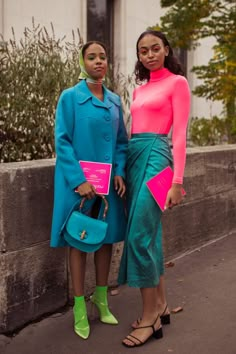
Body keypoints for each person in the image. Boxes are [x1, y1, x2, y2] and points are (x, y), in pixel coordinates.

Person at [118, 30, 191, 348]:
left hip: (160, 160)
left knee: (138, 236)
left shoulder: (178, 83)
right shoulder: (138, 91)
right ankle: (160, 306)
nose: (148, 54)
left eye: (154, 48)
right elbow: (133, 133)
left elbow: (180, 134)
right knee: (150, 235)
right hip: (136, 159)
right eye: (143, 50)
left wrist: (177, 181)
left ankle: (148, 317)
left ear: (166, 50)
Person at [50, 41, 128, 340]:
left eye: (103, 57)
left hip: (107, 183)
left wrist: (120, 171)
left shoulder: (114, 101)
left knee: (106, 239)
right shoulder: (70, 98)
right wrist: (78, 180)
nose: (99, 62)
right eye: (92, 57)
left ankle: (102, 299)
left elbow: (122, 142)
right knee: (80, 240)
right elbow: (63, 141)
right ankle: (79, 307)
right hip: (79, 185)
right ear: (82, 62)